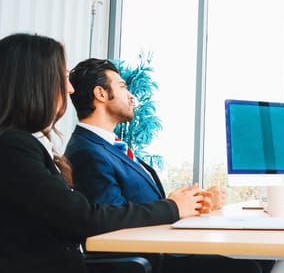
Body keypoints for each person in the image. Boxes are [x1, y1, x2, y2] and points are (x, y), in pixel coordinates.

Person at [0, 33, 204, 273]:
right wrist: (172, 207)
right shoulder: (14, 148)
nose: (70, 88)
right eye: (64, 78)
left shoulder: (29, 146)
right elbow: (84, 217)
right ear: (36, 82)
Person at [65, 58, 268, 273]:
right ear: (101, 94)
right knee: (249, 267)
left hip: (163, 250)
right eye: (123, 87)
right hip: (150, 260)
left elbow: (136, 205)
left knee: (265, 258)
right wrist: (174, 207)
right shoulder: (86, 151)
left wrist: (194, 204)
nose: (131, 95)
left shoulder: (110, 146)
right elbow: (111, 220)